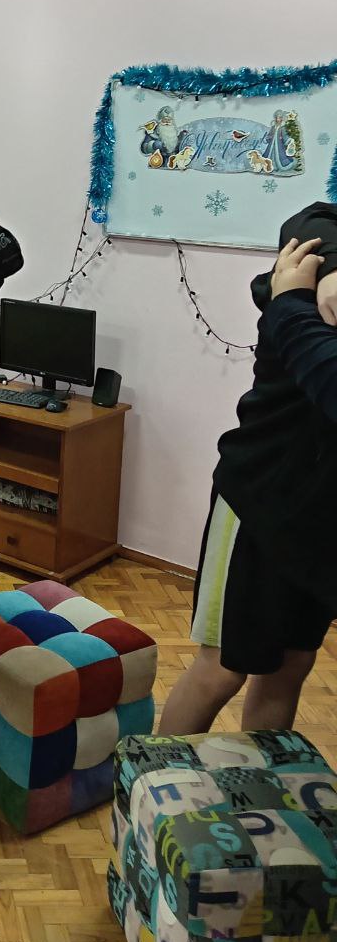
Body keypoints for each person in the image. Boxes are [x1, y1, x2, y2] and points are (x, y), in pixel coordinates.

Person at [158, 202, 337, 737]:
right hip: (258, 501)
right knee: (221, 668)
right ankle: (147, 784)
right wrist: (329, 271)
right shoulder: (321, 241)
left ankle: (262, 786)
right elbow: (310, 222)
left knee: (291, 666)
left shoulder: (297, 298)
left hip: (322, 520)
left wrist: (296, 299)